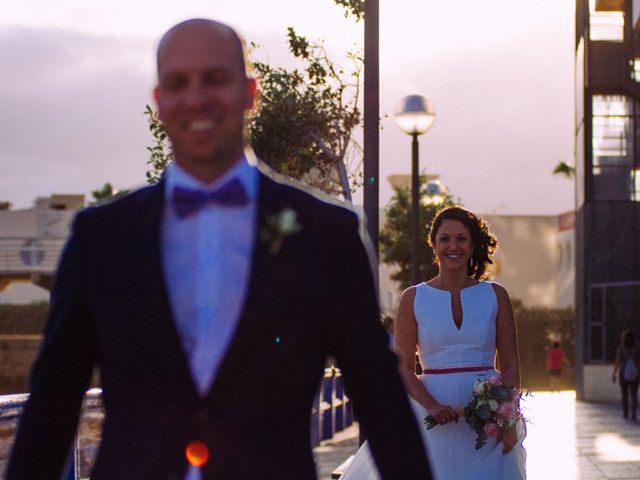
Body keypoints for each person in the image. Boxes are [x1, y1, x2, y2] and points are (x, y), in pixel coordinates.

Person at [7, 19, 431, 480]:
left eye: (215, 78)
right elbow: (53, 404)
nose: (196, 97)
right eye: (177, 82)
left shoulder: (326, 233)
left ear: (250, 92)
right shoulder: (99, 237)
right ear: (159, 103)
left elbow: (379, 398)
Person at [341, 206, 526, 480]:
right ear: (434, 244)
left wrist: (507, 417)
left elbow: (510, 363)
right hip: (430, 419)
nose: (454, 246)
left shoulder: (495, 295)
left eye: (462, 238)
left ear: (473, 244)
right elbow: (402, 366)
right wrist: (431, 406)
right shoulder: (413, 297)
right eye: (445, 239)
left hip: (488, 422)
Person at [612, 329, 639, 420]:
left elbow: (618, 361)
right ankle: (634, 413)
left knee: (624, 394)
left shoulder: (620, 348)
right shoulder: (637, 348)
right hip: (635, 373)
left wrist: (614, 373)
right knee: (634, 394)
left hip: (623, 373)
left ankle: (625, 413)